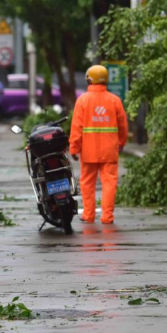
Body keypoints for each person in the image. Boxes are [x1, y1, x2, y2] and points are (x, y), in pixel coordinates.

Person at [69, 64, 128, 224]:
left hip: (88, 151)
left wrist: (74, 148)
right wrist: (121, 142)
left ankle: (88, 215)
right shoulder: (115, 100)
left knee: (87, 184)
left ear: (89, 80)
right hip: (109, 151)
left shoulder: (82, 100)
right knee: (109, 184)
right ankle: (107, 217)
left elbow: (77, 127)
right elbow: (123, 124)